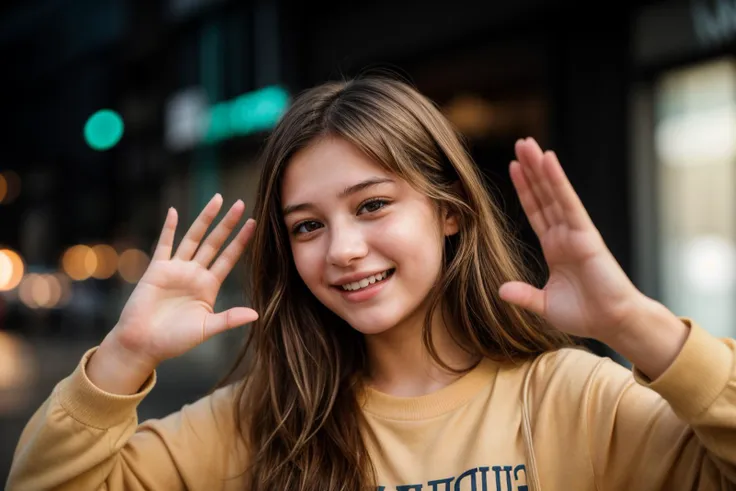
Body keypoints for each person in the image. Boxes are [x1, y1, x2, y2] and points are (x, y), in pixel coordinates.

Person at [6, 77, 736, 491]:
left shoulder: (573, 398)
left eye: (373, 205)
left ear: (449, 211)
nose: (344, 250)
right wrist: (124, 355)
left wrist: (637, 326)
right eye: (306, 225)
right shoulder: (260, 422)